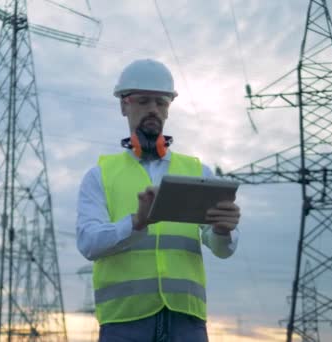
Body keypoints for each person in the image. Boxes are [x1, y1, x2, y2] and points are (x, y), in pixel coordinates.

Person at [76, 59, 241, 341]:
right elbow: (88, 243)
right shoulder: (100, 176)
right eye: (143, 101)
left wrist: (223, 231)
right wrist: (136, 223)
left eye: (161, 102)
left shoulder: (197, 172)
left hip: (186, 320)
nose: (153, 109)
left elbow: (222, 249)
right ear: (124, 105)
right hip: (124, 322)